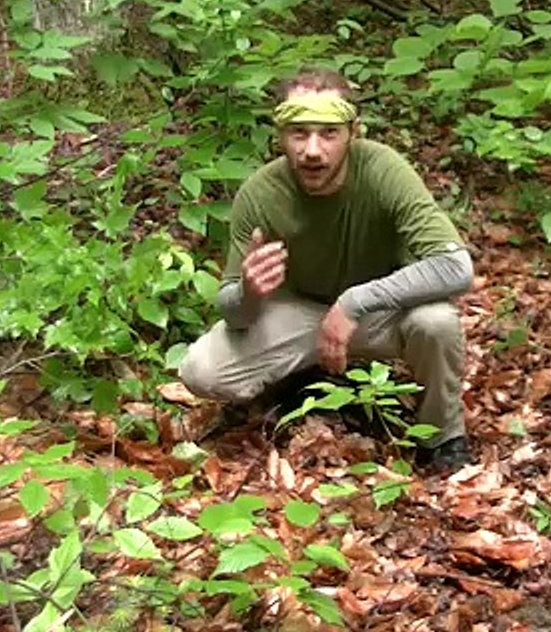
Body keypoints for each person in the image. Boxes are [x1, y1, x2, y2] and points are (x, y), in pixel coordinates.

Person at [178, 66, 475, 474]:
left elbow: (456, 267)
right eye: (299, 133)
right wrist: (249, 291)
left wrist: (355, 302)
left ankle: (442, 438)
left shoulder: (383, 169)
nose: (313, 150)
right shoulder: (260, 194)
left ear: (353, 133)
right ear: (280, 137)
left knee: (437, 321)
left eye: (328, 133)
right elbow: (232, 310)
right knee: (201, 370)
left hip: (378, 312)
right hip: (298, 311)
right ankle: (297, 382)